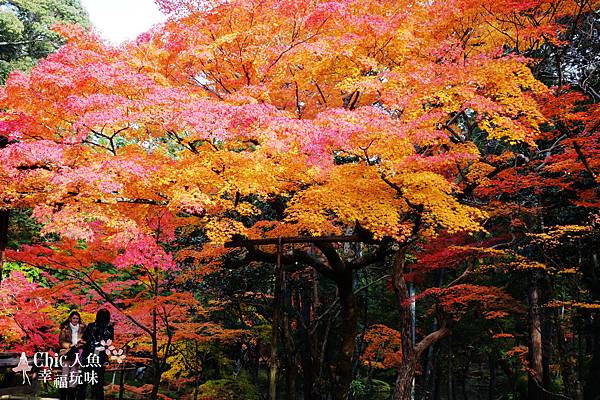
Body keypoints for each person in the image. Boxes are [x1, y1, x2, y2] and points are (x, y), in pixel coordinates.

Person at [81, 309, 114, 400]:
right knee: (98, 383)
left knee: (84, 381)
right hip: (100, 357)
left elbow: (85, 339)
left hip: (89, 356)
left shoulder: (92, 326)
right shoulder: (109, 328)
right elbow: (110, 341)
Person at [58, 311, 86, 400]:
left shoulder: (83, 328)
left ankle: (71, 396)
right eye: (73, 318)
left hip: (78, 353)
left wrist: (81, 343)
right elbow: (61, 342)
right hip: (67, 352)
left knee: (74, 374)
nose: (75, 320)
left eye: (77, 318)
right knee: (65, 373)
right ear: (70, 319)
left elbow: (87, 340)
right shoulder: (65, 329)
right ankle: (62, 396)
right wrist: (70, 345)